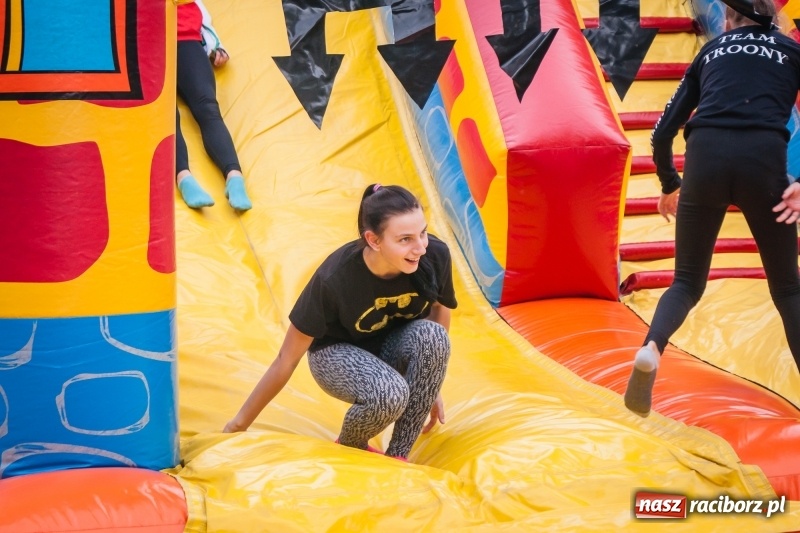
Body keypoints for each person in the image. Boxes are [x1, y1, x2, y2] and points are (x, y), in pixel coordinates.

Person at [624, 0, 800, 417]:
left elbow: (662, 131)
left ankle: (651, 347)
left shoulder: (709, 52)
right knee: (788, 289)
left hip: (706, 159)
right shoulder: (791, 51)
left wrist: (670, 184)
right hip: (763, 162)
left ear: (726, 19)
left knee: (686, 282)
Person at [223, 184, 457, 460]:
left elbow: (440, 309)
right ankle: (350, 445)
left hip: (392, 347)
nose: (420, 248)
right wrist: (238, 425)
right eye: (405, 239)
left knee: (435, 338)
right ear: (374, 240)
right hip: (335, 356)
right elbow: (286, 359)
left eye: (423, 232)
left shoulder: (435, 255)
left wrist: (429, 380)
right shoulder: (335, 278)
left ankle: (398, 458)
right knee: (389, 393)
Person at [176, 0, 252, 211]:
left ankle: (234, 178)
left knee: (207, 106)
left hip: (184, 38)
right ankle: (184, 177)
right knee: (163, 114)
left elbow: (199, 11)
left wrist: (214, 45)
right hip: (140, 43)